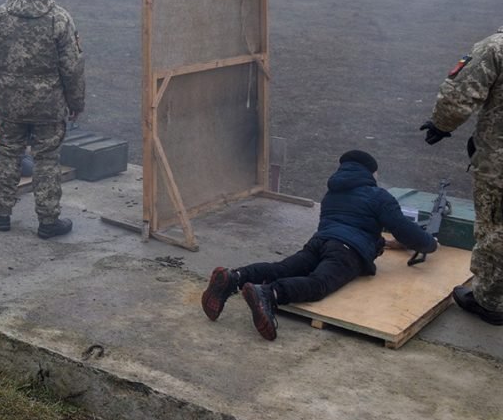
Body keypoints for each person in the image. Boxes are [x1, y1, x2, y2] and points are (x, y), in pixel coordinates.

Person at [201, 150, 438, 341]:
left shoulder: (332, 193)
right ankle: (270, 293)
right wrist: (430, 245)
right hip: (347, 253)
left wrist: (385, 243)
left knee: (282, 268)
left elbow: (348, 224)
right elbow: (405, 229)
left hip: (319, 242)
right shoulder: (378, 196)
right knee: (319, 283)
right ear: (371, 172)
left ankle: (235, 277)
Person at [0, 0, 85, 239]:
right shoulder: (60, 18)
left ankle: (1, 214)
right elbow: (72, 67)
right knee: (47, 159)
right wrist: (76, 103)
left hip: (10, 104)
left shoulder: (0, 16)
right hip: (48, 107)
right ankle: (48, 221)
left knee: (8, 155)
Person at [420, 27, 503, 326]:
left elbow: (460, 94)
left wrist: (441, 125)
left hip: (499, 164)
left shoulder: (496, 47)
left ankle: (491, 302)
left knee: (496, 227)